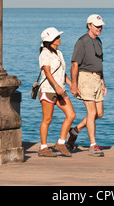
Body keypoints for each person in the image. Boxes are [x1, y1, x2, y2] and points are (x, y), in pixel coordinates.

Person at [68, 14, 107, 157]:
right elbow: (74, 64)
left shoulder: (99, 41)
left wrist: (103, 82)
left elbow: (100, 64)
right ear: (89, 25)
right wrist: (73, 84)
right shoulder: (82, 41)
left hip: (97, 78)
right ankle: (93, 145)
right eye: (97, 26)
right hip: (85, 78)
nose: (99, 28)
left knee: (99, 113)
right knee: (91, 112)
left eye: (101, 26)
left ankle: (74, 131)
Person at [38, 27, 76, 157]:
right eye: (57, 37)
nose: (60, 38)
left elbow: (62, 72)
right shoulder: (44, 54)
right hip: (49, 90)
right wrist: (56, 86)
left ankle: (60, 142)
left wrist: (72, 85)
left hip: (60, 90)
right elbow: (47, 72)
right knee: (47, 119)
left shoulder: (58, 53)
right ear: (51, 40)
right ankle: (43, 148)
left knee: (71, 115)